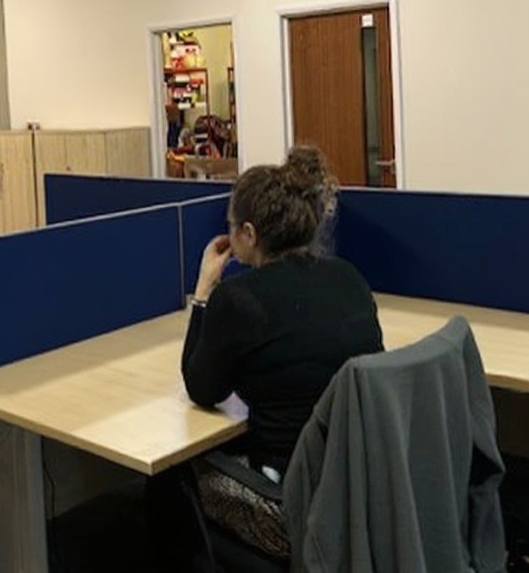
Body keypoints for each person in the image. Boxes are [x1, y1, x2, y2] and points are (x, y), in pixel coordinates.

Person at [160, 145, 384, 563]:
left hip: (287, 507)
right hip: (359, 490)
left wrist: (204, 291)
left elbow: (202, 389)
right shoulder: (348, 277)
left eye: (231, 226)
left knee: (171, 478)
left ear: (248, 234)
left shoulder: (238, 298)